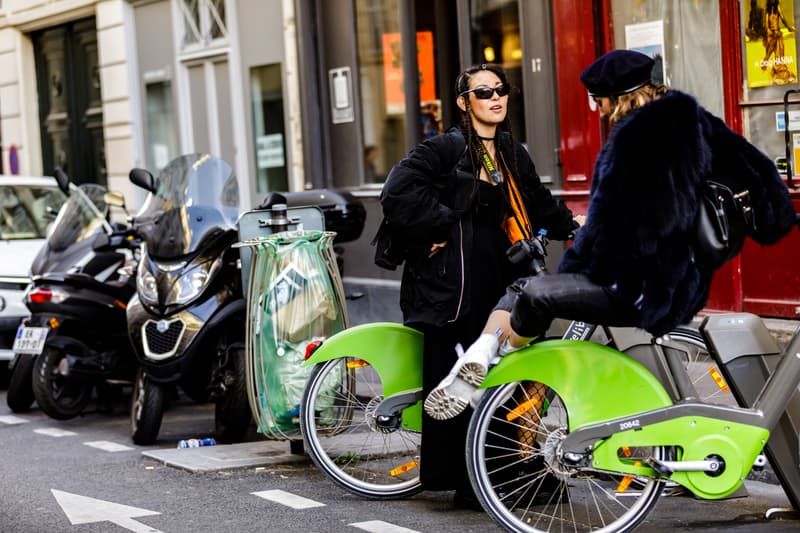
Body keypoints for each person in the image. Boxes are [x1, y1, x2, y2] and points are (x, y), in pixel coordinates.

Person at [426, 49, 796, 419]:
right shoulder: (693, 118)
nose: (598, 110)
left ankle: (492, 363)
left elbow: (621, 229)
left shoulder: (635, 138)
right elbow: (762, 176)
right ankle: (483, 357)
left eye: (598, 101)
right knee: (530, 291)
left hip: (643, 291)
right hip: (683, 284)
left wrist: (577, 262)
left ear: (617, 99)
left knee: (536, 293)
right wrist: (778, 222)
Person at [380, 63, 579, 509]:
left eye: (501, 90)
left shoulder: (511, 150)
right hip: (458, 288)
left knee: (508, 377)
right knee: (466, 382)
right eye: (484, 91)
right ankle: (469, 482)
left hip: (505, 279)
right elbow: (396, 193)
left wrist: (575, 228)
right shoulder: (444, 149)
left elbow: (538, 202)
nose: (495, 98)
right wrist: (444, 225)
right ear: (463, 102)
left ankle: (505, 474)